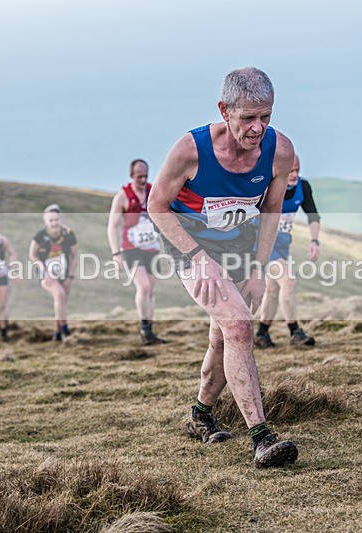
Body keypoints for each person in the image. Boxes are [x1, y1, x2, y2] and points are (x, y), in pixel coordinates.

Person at [148, 67, 299, 468]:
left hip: (238, 247)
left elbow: (271, 208)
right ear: (224, 109)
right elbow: (156, 206)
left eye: (266, 116)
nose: (258, 128)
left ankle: (200, 415)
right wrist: (200, 260)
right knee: (239, 325)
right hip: (189, 246)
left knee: (222, 336)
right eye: (248, 117)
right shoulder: (190, 150)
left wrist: (259, 267)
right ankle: (262, 438)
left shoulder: (279, 151)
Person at [253, 154, 321, 348]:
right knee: (288, 280)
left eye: (297, 170)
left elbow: (313, 215)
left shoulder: (303, 187)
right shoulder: (267, 187)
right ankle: (295, 332)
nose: (294, 175)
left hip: (283, 246)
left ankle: (261, 333)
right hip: (263, 245)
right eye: (290, 171)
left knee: (273, 290)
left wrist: (314, 240)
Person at [107, 159, 166, 345]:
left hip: (151, 247)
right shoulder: (123, 197)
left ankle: (149, 330)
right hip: (131, 248)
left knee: (151, 290)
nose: (143, 179)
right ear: (131, 176)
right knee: (144, 287)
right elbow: (112, 226)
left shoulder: (152, 191)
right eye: (139, 176)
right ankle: (144, 328)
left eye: (145, 176)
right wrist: (116, 254)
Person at [29, 205, 78, 342]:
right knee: (59, 294)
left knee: (62, 303)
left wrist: (70, 276)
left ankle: (57, 334)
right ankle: (65, 330)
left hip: (64, 273)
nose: (54, 223)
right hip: (46, 273)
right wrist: (44, 271)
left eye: (56, 220)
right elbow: (32, 255)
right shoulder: (39, 236)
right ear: (46, 222)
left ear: (60, 219)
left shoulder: (69, 234)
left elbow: (75, 255)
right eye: (51, 220)